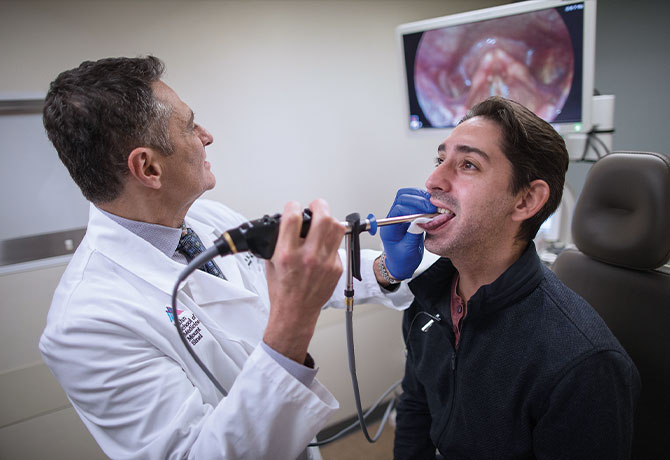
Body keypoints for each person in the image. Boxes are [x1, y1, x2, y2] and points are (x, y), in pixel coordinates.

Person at [38, 56, 412, 460]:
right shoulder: (85, 324)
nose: (206, 135)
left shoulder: (200, 218)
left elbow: (287, 277)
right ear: (148, 167)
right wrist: (295, 321)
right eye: (188, 126)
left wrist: (383, 269)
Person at [377, 96, 640, 459]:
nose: (433, 180)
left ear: (526, 201)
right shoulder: (427, 299)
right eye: (440, 160)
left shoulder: (584, 363)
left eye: (467, 164)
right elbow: (416, 410)